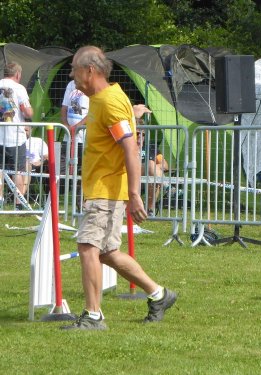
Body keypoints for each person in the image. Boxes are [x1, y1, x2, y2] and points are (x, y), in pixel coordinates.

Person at [61, 46, 176, 331]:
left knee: (88, 247)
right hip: (104, 188)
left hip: (106, 189)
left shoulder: (111, 102)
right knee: (106, 252)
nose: (71, 74)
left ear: (90, 70)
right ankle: (158, 294)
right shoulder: (101, 99)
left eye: (74, 68)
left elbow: (130, 148)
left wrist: (135, 194)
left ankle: (93, 315)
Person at [0, 62, 33, 209]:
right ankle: (18, 203)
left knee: (0, 170)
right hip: (15, 136)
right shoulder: (19, 88)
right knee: (18, 170)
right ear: (18, 74)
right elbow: (27, 112)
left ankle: (0, 201)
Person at [135, 117, 169, 216]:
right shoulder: (127, 146)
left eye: (143, 134)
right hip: (131, 177)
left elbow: (165, 165)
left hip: (149, 179)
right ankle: (168, 187)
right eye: (137, 133)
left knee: (152, 168)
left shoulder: (151, 147)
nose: (140, 136)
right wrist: (151, 166)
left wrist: (154, 167)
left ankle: (150, 211)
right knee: (150, 164)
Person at [60, 79, 89, 173]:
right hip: (68, 136)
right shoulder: (71, 84)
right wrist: (65, 124)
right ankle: (62, 187)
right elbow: (64, 107)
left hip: (84, 137)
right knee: (63, 168)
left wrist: (78, 126)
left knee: (82, 168)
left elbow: (94, 111)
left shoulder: (92, 84)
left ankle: (78, 187)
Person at [24, 126, 48, 194]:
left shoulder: (38, 141)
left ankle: (21, 195)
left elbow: (46, 157)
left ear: (31, 129)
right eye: (22, 130)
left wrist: (40, 162)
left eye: (26, 130)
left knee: (27, 164)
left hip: (34, 167)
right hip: (15, 166)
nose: (24, 133)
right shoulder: (13, 141)